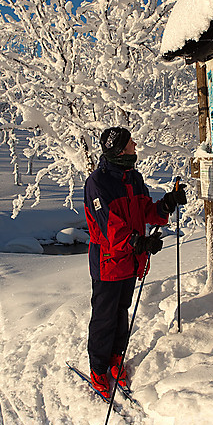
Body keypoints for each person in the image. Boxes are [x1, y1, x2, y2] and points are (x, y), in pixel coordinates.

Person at [83, 127, 187, 400]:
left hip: (130, 260)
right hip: (108, 262)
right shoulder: (98, 183)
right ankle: (98, 368)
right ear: (119, 150)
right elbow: (108, 227)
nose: (135, 144)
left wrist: (167, 204)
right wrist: (137, 242)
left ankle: (116, 357)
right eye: (130, 143)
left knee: (121, 311)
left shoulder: (134, 178)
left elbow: (145, 211)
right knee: (104, 315)